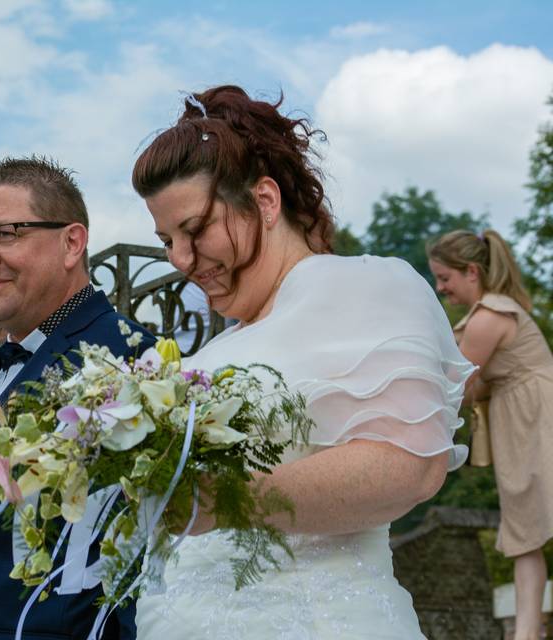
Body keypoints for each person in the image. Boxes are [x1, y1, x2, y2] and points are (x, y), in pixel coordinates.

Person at [130, 85, 474, 638]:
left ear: (265, 201)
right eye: (167, 239)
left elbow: (410, 466)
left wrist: (221, 502)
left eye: (194, 230)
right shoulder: (211, 352)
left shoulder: (364, 284)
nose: (181, 260)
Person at [0, 156, 152, 639]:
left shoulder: (129, 363)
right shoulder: (2, 360)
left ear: (72, 243)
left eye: (6, 233)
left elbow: (143, 564)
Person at [428, 229, 553, 640]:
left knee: (529, 530)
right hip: (521, 422)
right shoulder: (487, 316)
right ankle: (527, 633)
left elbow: (457, 388)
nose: (440, 287)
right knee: (524, 534)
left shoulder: (489, 317)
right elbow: (473, 383)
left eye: (445, 277)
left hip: (538, 420)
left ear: (471, 272)